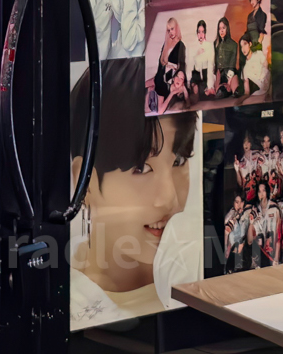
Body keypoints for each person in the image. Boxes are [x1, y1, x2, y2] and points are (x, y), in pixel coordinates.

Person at [68, 60, 197, 326]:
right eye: (141, 168)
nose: (169, 199)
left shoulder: (196, 278)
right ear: (85, 182)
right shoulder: (65, 304)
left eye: (179, 161)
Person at [152, 16, 187, 110]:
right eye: (168, 30)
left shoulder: (181, 46)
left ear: (177, 28)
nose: (170, 32)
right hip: (160, 76)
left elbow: (181, 67)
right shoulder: (166, 44)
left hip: (168, 81)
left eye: (172, 29)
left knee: (159, 108)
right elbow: (161, 64)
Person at [213, 17, 241, 99]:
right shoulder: (216, 44)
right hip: (219, 74)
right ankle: (224, 90)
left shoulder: (233, 44)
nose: (221, 31)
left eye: (223, 28)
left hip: (230, 73)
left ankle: (232, 89)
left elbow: (232, 63)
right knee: (218, 94)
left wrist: (229, 80)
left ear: (227, 29)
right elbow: (215, 62)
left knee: (236, 90)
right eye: (220, 28)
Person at [188, 18, 214, 99]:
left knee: (205, 92)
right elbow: (190, 65)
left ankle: (204, 91)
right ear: (197, 33)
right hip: (196, 75)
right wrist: (196, 54)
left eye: (202, 32)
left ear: (205, 33)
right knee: (194, 89)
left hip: (206, 74)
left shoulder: (209, 45)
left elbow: (210, 66)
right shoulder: (193, 46)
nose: (201, 34)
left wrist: (210, 86)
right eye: (199, 32)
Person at [240, 34, 267, 102]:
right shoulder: (245, 68)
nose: (243, 48)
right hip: (262, 91)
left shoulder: (258, 54)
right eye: (241, 46)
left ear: (250, 44)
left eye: (245, 44)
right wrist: (241, 100)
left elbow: (269, 70)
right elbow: (247, 92)